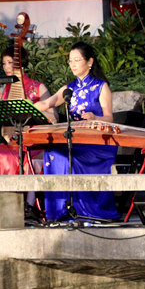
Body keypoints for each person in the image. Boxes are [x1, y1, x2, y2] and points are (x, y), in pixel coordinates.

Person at [34, 42, 119, 221]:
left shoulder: (101, 86)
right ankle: (59, 211)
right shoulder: (69, 88)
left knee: (66, 157)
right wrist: (22, 108)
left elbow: (109, 118)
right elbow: (46, 103)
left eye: (77, 60)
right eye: (70, 60)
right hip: (76, 141)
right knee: (52, 152)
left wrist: (95, 118)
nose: (72, 64)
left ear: (89, 62)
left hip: (97, 144)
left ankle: (82, 209)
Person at [0, 45, 55, 178]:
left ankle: (23, 198)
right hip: (12, 144)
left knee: (14, 159)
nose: (6, 67)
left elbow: (54, 117)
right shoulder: (3, 90)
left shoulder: (38, 87)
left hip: (34, 145)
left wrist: (31, 110)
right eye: (4, 63)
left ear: (21, 62)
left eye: (10, 62)